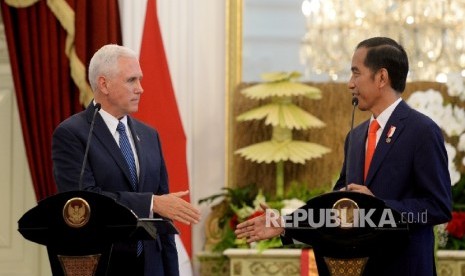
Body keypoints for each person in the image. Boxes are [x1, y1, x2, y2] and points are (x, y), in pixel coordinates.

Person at [235, 37, 452, 275]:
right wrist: (286, 224)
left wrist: (379, 208)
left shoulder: (422, 130)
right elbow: (339, 206)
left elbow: (438, 206)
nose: (350, 84)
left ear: (381, 77)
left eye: (356, 73)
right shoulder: (356, 137)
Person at [52, 44, 201, 276]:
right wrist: (151, 203)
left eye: (140, 80)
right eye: (132, 80)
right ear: (104, 84)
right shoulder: (73, 134)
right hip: (104, 265)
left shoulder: (150, 135)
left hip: (153, 267)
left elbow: (165, 218)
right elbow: (83, 200)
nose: (140, 89)